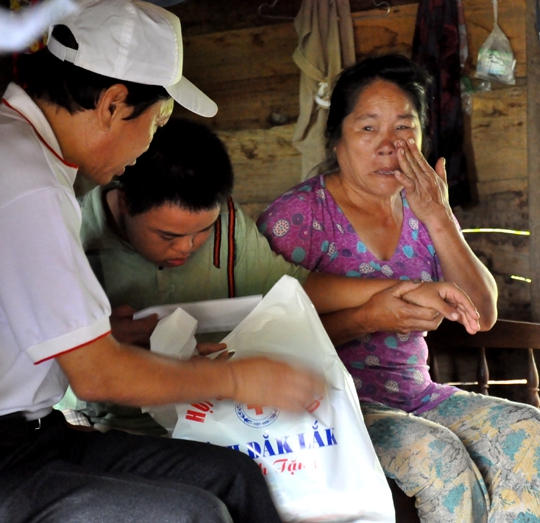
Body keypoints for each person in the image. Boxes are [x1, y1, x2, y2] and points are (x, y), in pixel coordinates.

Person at [0, 0, 322, 522]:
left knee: (234, 476)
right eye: (158, 119)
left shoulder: (13, 153)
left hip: (20, 443)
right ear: (114, 102)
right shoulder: (17, 179)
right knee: (191, 514)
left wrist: (108, 334)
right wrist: (241, 380)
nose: (149, 143)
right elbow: (97, 379)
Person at [258, 54, 540, 523]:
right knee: (439, 456)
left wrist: (438, 214)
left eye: (404, 128)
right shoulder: (299, 217)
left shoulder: (423, 209)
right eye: (368, 128)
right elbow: (262, 338)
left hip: (414, 397)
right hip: (329, 407)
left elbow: (482, 313)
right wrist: (369, 318)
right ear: (336, 139)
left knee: (526, 426)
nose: (388, 146)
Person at [62, 117, 483, 434]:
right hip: (110, 429)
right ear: (122, 201)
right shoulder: (71, 231)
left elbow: (296, 288)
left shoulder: (229, 227)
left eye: (201, 232)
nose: (187, 248)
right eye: (168, 236)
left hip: (212, 424)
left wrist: (407, 290)